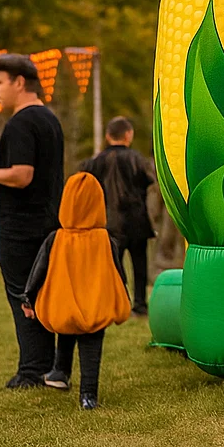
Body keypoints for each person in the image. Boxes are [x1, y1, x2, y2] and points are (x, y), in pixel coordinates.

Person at [0, 54, 64, 389]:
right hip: (48, 221)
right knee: (41, 295)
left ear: (19, 82)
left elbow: (22, 175)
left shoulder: (21, 123)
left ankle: (32, 372)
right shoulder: (49, 120)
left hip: (21, 228)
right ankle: (51, 368)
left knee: (22, 296)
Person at [17, 172, 132, 408]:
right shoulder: (105, 239)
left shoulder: (56, 238)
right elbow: (118, 272)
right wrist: (125, 296)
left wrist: (28, 297)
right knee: (91, 349)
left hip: (65, 303)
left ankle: (61, 372)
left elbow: (38, 270)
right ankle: (88, 395)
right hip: (96, 306)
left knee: (67, 332)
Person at [82, 116, 157, 315]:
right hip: (136, 219)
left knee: (113, 264)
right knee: (139, 264)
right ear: (128, 135)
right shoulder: (137, 159)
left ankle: (119, 300)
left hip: (108, 220)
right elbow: (151, 179)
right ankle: (140, 304)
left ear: (107, 136)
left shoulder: (96, 161)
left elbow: (83, 181)